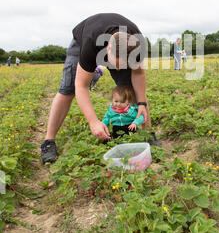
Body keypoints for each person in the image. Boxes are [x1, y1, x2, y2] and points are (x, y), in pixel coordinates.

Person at [41, 13, 160, 164]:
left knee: (130, 90)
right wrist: (93, 122)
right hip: (82, 41)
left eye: (122, 65)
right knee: (68, 89)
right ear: (108, 48)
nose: (117, 69)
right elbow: (81, 86)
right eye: (115, 65)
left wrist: (142, 103)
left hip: (118, 48)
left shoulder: (136, 44)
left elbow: (138, 74)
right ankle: (48, 141)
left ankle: (148, 135)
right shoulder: (91, 43)